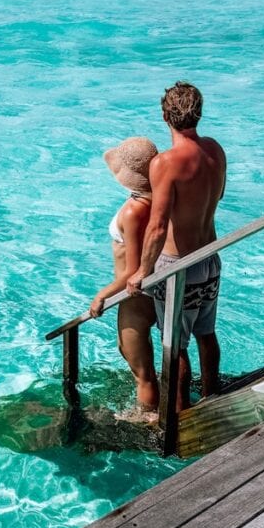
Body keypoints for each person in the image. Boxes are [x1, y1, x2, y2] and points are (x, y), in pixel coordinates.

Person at [127, 83, 226, 412]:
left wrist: (142, 271)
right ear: (199, 111)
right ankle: (214, 398)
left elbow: (157, 226)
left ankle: (180, 416)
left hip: (177, 266)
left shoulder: (164, 163)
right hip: (210, 257)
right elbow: (219, 196)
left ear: (164, 116)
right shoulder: (215, 150)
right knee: (206, 334)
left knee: (175, 347)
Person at [89, 137, 160, 413]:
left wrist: (102, 295)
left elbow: (132, 270)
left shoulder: (134, 210)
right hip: (154, 289)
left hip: (134, 296)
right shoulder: (158, 201)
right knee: (134, 354)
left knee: (140, 369)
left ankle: (150, 421)